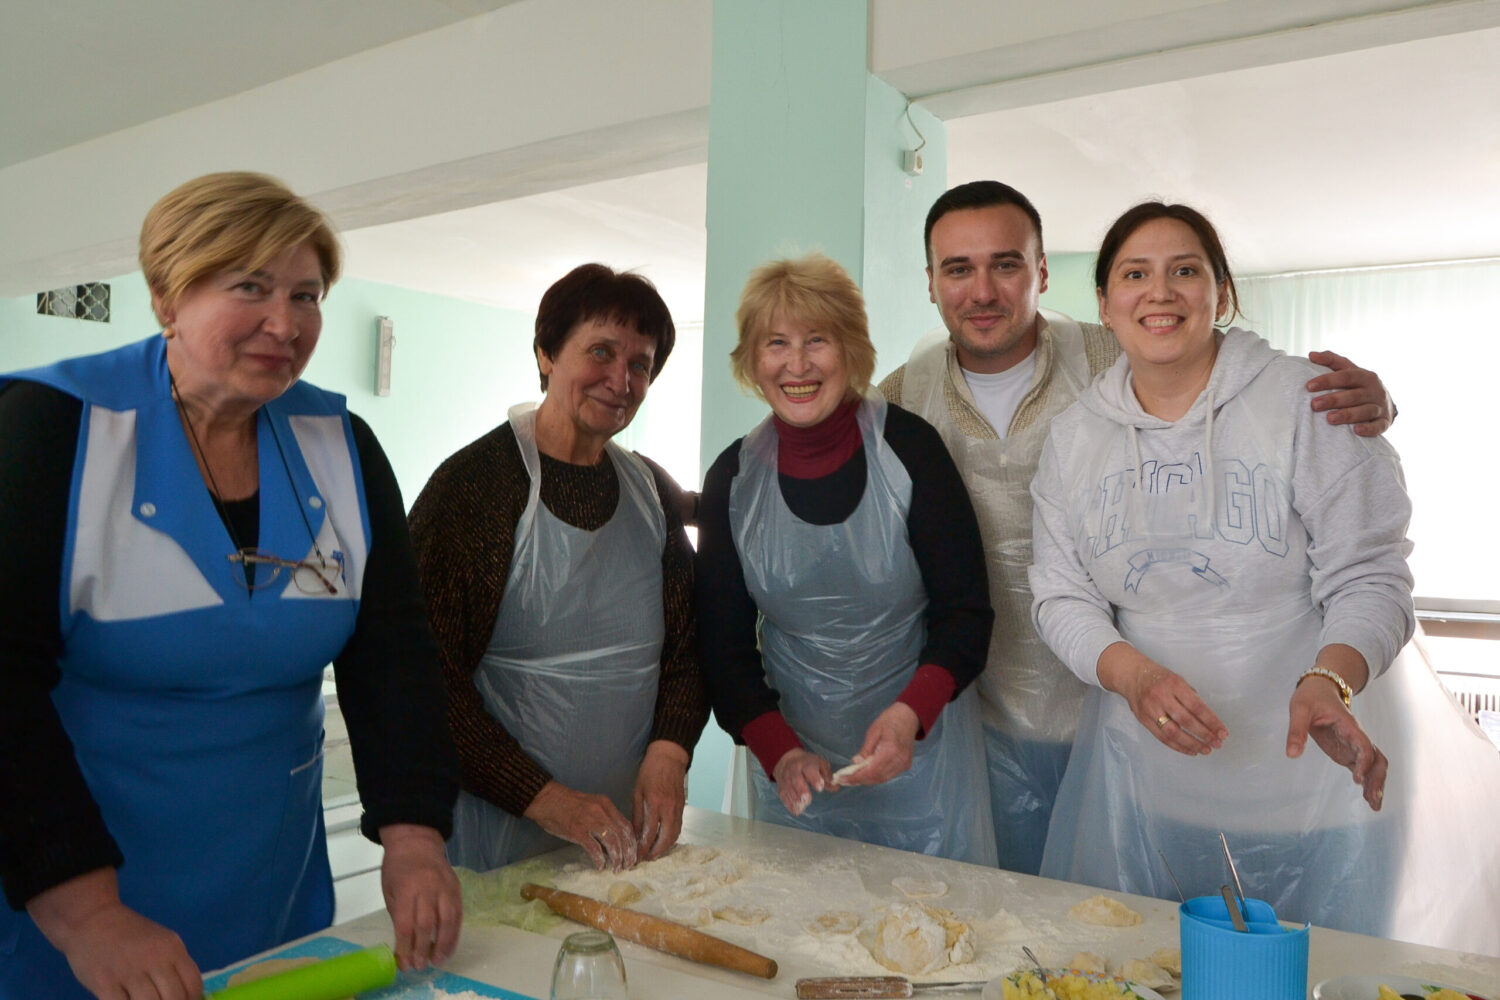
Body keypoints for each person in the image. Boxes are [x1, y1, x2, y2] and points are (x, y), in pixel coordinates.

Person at [0, 172, 462, 1000]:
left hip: (272, 893)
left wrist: (415, 836)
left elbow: (393, 658)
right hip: (72, 903)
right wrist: (89, 916)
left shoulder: (342, 444)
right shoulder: (54, 428)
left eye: (306, 295)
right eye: (250, 286)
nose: (285, 323)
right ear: (166, 297)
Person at [878, 180, 1396, 875]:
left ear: (1042, 273)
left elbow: (1254, 401)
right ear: (931, 282)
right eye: (957, 269)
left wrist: (1378, 405)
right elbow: (822, 444)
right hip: (996, 709)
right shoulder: (902, 398)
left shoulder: (1116, 351)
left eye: (1005, 264)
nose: (983, 291)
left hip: (1128, 720)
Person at [1028, 201, 1412, 931]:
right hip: (1152, 787)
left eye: (1185, 270)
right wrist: (1133, 676)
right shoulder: (1076, 439)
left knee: (1314, 970)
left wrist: (1331, 679)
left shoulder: (1306, 402)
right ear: (1104, 304)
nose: (1160, 291)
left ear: (1222, 293)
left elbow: (1372, 573)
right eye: (1134, 274)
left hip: (1315, 783)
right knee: (1154, 968)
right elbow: (1060, 594)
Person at [697, 253, 997, 865]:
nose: (797, 365)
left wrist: (910, 716)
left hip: (923, 770)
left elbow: (965, 614)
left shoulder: (910, 450)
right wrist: (780, 752)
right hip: (794, 780)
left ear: (851, 350)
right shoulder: (733, 478)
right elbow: (722, 648)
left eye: (817, 340)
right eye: (776, 343)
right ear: (752, 360)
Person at [409, 264, 709, 875]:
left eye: (640, 364)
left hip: (624, 838)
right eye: (601, 352)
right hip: (498, 838)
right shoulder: (474, 488)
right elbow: (424, 681)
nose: (620, 380)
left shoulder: (650, 491)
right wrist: (546, 800)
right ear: (546, 354)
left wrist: (670, 750)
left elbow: (690, 643)